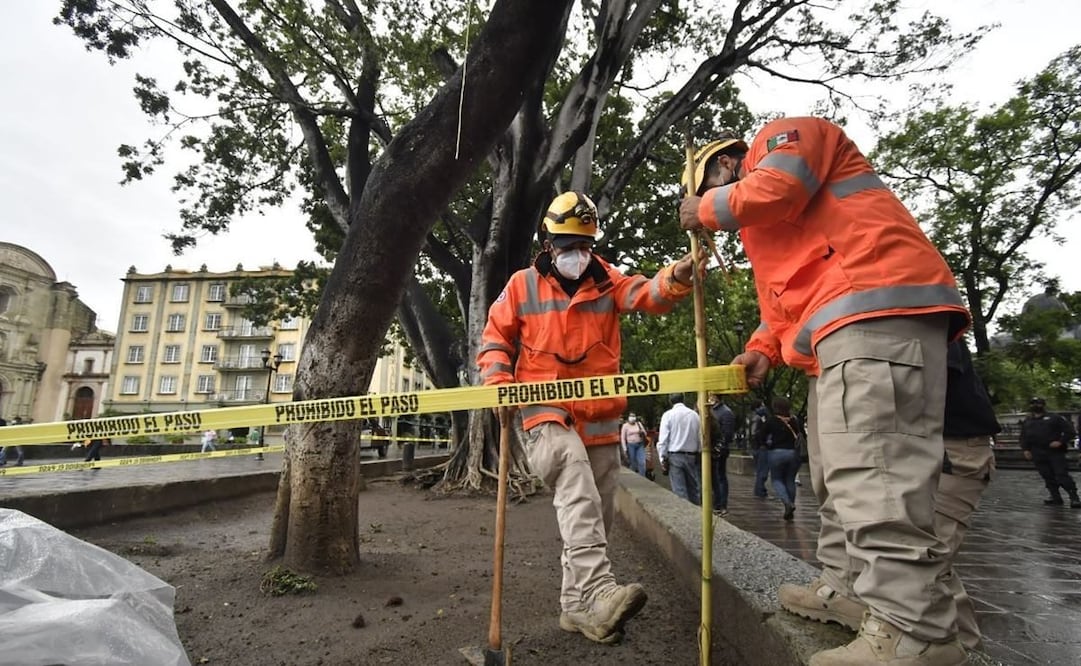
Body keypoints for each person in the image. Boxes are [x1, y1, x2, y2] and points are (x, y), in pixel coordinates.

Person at [681, 118, 971, 665]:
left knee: (872, 475)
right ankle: (849, 591)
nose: (713, 216)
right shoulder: (766, 232)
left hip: (873, 313)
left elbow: (778, 185)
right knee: (837, 476)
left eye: (709, 195)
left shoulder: (782, 139)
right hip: (839, 337)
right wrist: (761, 351)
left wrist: (704, 210)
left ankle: (915, 633)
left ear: (723, 167)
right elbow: (780, 306)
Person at [477, 191, 699, 645]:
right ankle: (599, 592)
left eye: (582, 244)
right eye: (564, 244)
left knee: (593, 515)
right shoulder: (522, 285)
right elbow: (494, 340)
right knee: (576, 487)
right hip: (546, 418)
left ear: (592, 244)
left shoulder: (608, 281)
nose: (574, 254)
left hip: (600, 423)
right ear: (548, 243)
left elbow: (647, 292)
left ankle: (576, 608)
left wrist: (676, 277)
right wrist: (499, 386)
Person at [1020, 397, 1080, 508]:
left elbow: (1070, 432)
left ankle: (1074, 497)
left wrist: (1060, 441)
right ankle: (1055, 497)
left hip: (1054, 452)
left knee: (1061, 475)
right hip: (1037, 452)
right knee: (1047, 476)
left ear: (1043, 405)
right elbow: (1024, 436)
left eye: (1038, 404)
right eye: (1033, 403)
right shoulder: (1028, 421)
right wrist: (1026, 449)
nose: (1036, 406)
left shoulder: (1055, 418)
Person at [755, 396, 803, 521]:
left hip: (776, 453)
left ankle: (787, 503)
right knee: (790, 480)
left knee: (776, 479)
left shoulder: (771, 421)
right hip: (793, 453)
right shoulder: (795, 420)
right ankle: (791, 506)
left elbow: (761, 436)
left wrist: (765, 445)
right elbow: (801, 435)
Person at [657, 393, 702, 506]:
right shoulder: (694, 415)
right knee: (694, 488)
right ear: (684, 399)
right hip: (692, 455)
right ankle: (697, 513)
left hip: (675, 456)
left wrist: (662, 458)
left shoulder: (668, 415)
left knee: (679, 490)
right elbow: (700, 436)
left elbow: (663, 440)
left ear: (670, 401)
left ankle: (685, 514)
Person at [707, 393, 735, 516]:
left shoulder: (726, 412)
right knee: (714, 478)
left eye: (710, 395)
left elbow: (727, 434)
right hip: (711, 449)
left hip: (719, 451)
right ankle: (715, 503)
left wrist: (719, 448)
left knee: (719, 477)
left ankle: (722, 505)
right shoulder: (712, 410)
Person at [749, 402, 769, 498]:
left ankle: (760, 490)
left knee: (760, 470)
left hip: (757, 447)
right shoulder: (758, 418)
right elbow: (754, 433)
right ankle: (760, 491)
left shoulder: (757, 417)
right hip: (760, 447)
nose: (764, 406)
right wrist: (762, 441)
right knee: (762, 471)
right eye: (762, 405)